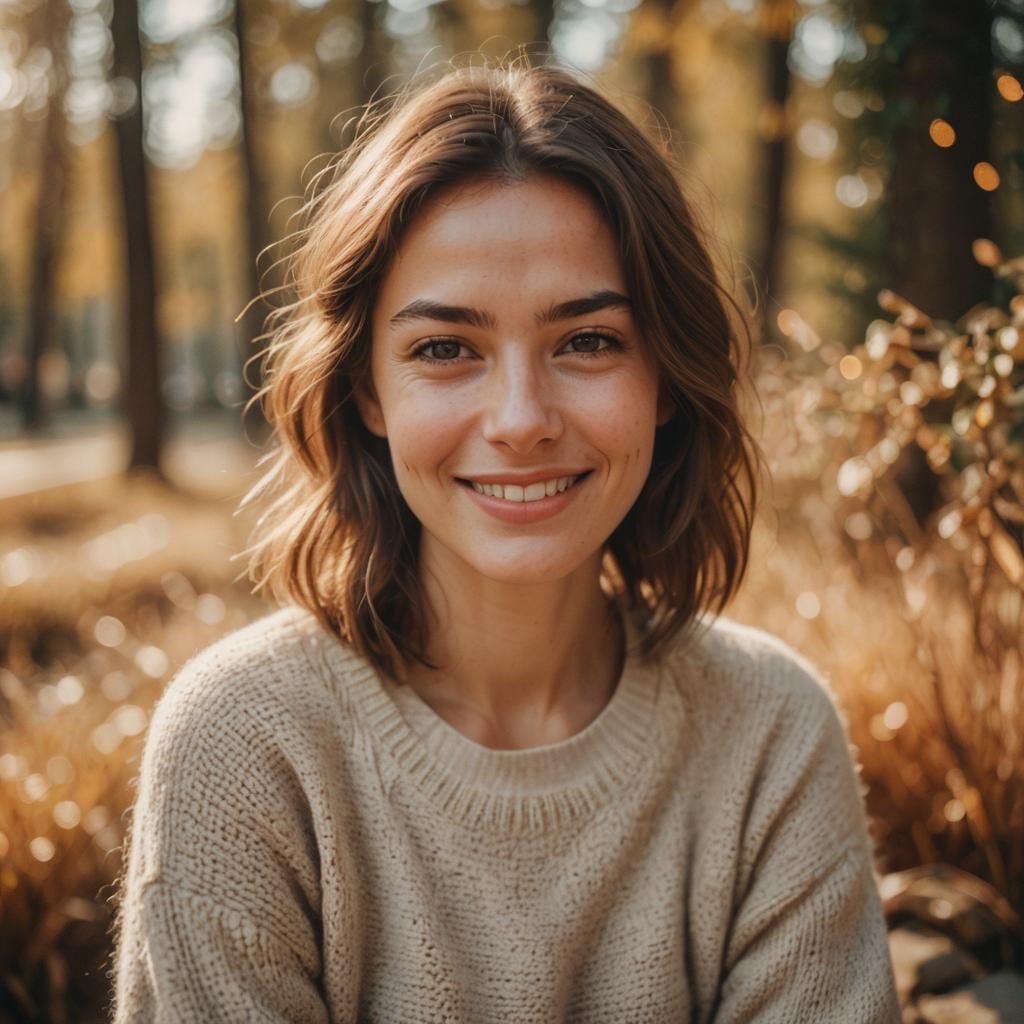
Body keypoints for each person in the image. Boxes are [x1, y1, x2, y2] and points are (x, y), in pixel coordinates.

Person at [108, 57, 901, 1023]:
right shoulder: (243, 746)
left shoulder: (773, 735)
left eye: (588, 341)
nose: (522, 418)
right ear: (367, 390)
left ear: (663, 377)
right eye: (446, 349)